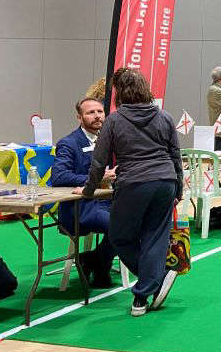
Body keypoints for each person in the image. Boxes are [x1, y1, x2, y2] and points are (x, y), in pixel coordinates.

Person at [75, 68, 183, 317]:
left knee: (119, 237)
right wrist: (179, 187)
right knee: (156, 236)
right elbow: (175, 155)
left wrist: (89, 190)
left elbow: (99, 161)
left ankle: (153, 282)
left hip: (133, 183)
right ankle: (144, 293)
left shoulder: (114, 120)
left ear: (119, 92)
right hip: (165, 181)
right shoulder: (164, 117)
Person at [50, 97, 116, 288]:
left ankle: (94, 258)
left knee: (136, 221)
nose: (97, 116)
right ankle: (100, 263)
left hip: (109, 200)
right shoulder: (68, 143)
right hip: (82, 206)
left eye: (100, 112)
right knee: (120, 226)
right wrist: (98, 177)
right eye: (90, 113)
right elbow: (59, 176)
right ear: (79, 117)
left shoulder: (111, 140)